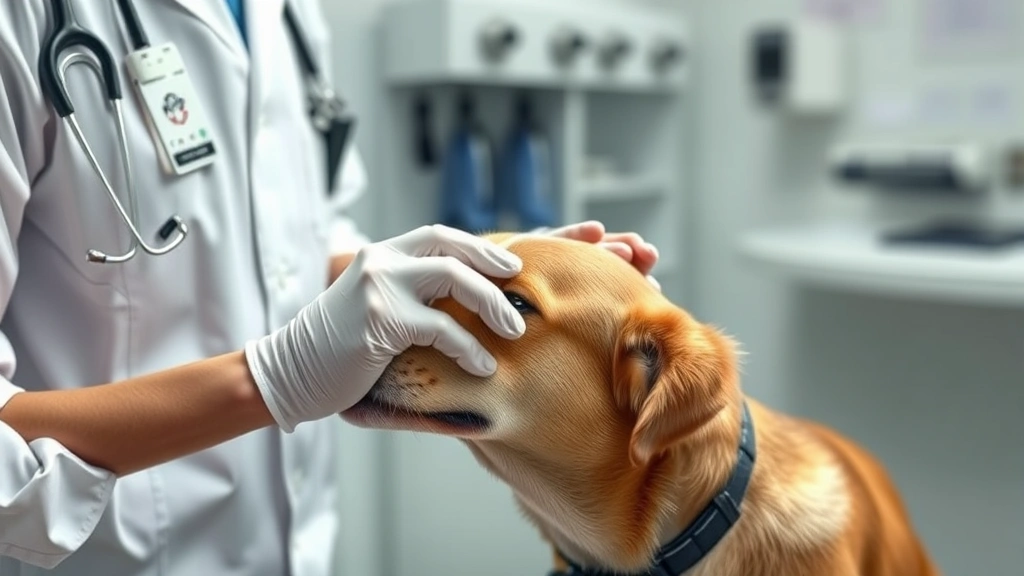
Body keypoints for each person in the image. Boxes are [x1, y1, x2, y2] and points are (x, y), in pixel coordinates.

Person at [0, 2, 660, 575]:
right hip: (114, 555)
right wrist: (275, 380)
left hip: (300, 539)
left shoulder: (288, 12)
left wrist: (482, 273)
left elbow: (295, 245)